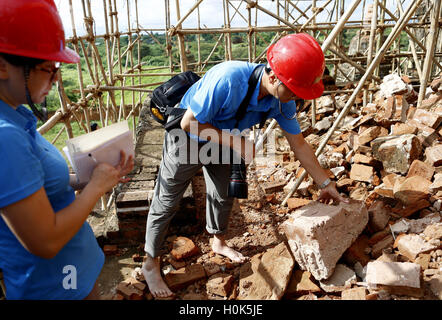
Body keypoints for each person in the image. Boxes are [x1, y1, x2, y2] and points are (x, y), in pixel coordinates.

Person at [142, 33, 348, 298]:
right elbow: (189, 123)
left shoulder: (281, 99)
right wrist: (235, 142)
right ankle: (151, 263)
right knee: (168, 200)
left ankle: (218, 241)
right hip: (188, 136)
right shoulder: (229, 78)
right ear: (274, 77)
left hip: (225, 137)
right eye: (296, 92)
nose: (298, 99)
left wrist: (326, 183)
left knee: (223, 191)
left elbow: (299, 144)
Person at [0, 0, 134, 299]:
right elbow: (45, 242)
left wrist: (82, 178)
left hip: (71, 273)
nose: (56, 78)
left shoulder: (16, 117)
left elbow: (36, 185)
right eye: (48, 68)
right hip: (54, 285)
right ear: (2, 66)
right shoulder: (5, 137)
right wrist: (95, 188)